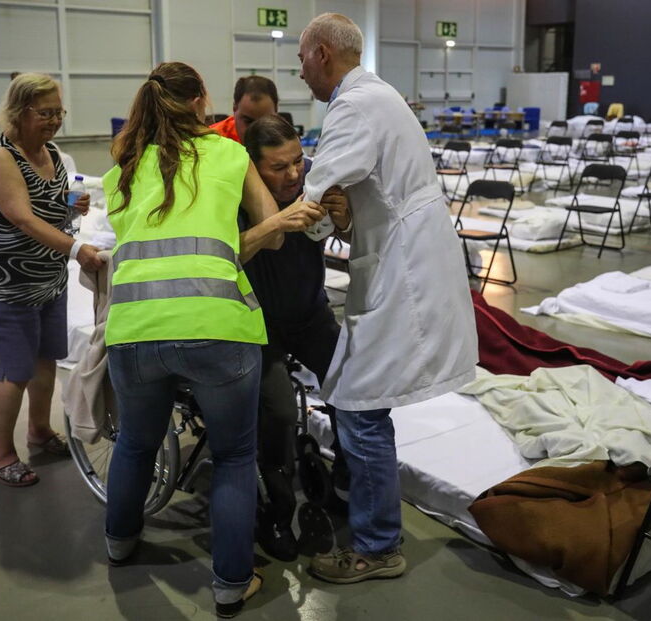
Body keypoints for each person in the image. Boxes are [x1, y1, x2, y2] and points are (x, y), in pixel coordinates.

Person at [101, 62, 325, 618]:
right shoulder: (229, 156)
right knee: (231, 457)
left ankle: (119, 542)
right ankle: (229, 585)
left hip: (134, 330)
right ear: (203, 101)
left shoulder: (121, 172)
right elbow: (272, 232)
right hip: (217, 329)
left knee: (133, 443)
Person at [297, 14, 478, 583]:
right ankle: (366, 513)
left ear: (323, 53)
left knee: (359, 404)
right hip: (404, 258)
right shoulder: (379, 96)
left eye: (302, 60)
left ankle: (377, 546)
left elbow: (316, 192)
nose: (300, 73)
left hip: (407, 270)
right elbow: (357, 192)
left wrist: (285, 219)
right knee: (357, 400)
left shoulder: (352, 107)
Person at [0, 73, 105, 487]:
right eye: (45, 113)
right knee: (15, 372)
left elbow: (48, 209)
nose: (54, 121)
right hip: (3, 283)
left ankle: (40, 431)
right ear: (18, 111)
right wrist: (76, 249)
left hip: (46, 279)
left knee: (45, 363)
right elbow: (21, 217)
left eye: (58, 112)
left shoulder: (52, 152)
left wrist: (71, 207)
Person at [240, 114, 351, 562]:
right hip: (256, 326)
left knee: (356, 384)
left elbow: (349, 236)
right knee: (280, 413)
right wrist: (275, 223)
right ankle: (276, 512)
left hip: (309, 316)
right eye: (278, 167)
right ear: (252, 166)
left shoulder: (313, 190)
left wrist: (344, 221)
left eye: (297, 162)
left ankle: (344, 479)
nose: (292, 175)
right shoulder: (235, 202)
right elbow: (221, 255)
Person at [210, 75, 279, 144]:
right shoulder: (212, 140)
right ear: (234, 109)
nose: (257, 132)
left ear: (276, 112)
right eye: (248, 122)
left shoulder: (286, 141)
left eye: (265, 122)